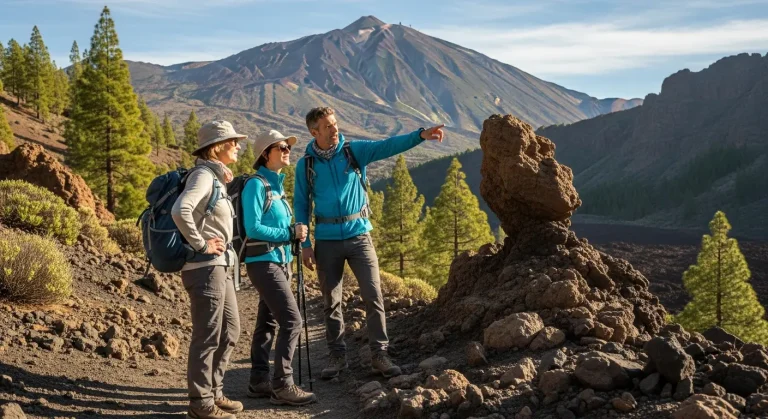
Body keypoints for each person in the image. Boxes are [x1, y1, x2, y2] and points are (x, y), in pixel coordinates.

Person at [293, 107, 444, 379]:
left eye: (335, 123)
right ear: (314, 132)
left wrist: (420, 135)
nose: (335, 129)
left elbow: (387, 146)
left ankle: (380, 355)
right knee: (331, 302)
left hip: (360, 236)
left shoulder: (354, 151)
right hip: (326, 241)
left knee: (374, 296)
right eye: (327, 126)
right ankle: (337, 358)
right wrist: (305, 246)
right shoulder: (306, 165)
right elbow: (301, 205)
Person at [171, 120, 245, 419]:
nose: (238, 145)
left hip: (219, 266)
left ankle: (214, 391)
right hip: (204, 266)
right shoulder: (202, 175)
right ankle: (200, 402)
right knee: (208, 334)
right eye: (232, 141)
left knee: (230, 330)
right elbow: (181, 210)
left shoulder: (215, 177)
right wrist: (201, 244)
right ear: (216, 147)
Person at [241, 129, 318, 406]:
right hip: (263, 263)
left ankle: (258, 380)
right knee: (292, 321)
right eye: (281, 147)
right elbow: (252, 227)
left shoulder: (276, 187)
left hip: (279, 262)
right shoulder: (256, 185)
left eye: (288, 147)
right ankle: (283, 385)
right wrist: (289, 233)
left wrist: (293, 233)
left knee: (268, 321)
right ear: (265, 154)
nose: (287, 151)